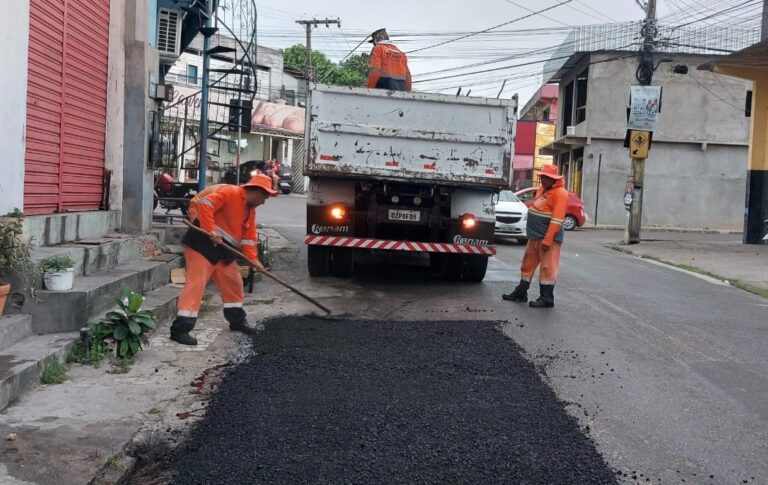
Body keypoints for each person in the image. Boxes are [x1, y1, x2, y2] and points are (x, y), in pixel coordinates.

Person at [169, 174, 278, 346]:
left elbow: (248, 239)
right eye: (265, 197)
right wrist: (211, 230)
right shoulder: (231, 192)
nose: (264, 201)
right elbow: (205, 204)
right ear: (257, 191)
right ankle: (180, 330)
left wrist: (253, 260)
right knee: (196, 285)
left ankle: (237, 321)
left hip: (223, 249)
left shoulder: (250, 211)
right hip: (202, 243)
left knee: (233, 282)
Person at [502, 164, 569, 308]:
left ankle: (547, 298)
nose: (542, 180)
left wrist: (548, 239)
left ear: (554, 179)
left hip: (547, 238)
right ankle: (521, 292)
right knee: (527, 265)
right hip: (535, 236)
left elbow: (557, 220)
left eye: (546, 178)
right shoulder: (543, 189)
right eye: (542, 177)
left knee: (547, 268)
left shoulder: (560, 194)